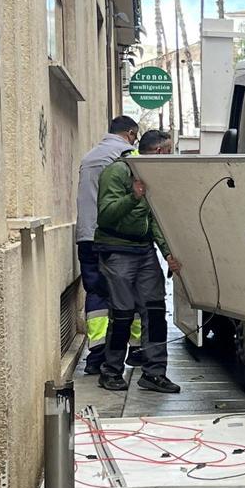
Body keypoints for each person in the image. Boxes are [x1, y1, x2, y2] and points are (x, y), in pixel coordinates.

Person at [94, 129, 182, 393]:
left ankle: (154, 373)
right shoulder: (118, 171)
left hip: (144, 251)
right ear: (159, 151)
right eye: (169, 150)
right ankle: (110, 371)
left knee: (155, 312)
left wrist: (167, 252)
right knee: (122, 314)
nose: (170, 155)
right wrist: (133, 196)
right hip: (117, 249)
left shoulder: (152, 174)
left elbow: (154, 220)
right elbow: (105, 215)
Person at [75, 116, 142, 376]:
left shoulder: (89, 157)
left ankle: (96, 357)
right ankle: (135, 350)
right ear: (130, 133)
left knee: (96, 293)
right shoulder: (128, 156)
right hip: (115, 238)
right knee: (130, 292)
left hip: (86, 236)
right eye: (135, 136)